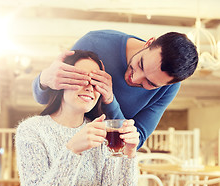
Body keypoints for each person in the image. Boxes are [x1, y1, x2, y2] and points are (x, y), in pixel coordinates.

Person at [15, 50, 140, 186]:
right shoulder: (31, 130)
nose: (90, 87)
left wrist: (129, 154)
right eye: (81, 79)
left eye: (96, 81)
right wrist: (72, 150)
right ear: (60, 82)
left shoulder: (103, 132)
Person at [32, 30, 198, 149]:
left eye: (150, 82)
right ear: (149, 43)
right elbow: (46, 99)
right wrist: (44, 79)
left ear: (167, 84)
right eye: (140, 64)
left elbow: (135, 139)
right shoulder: (95, 43)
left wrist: (110, 101)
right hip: (62, 143)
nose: (135, 78)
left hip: (104, 156)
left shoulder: (168, 89)